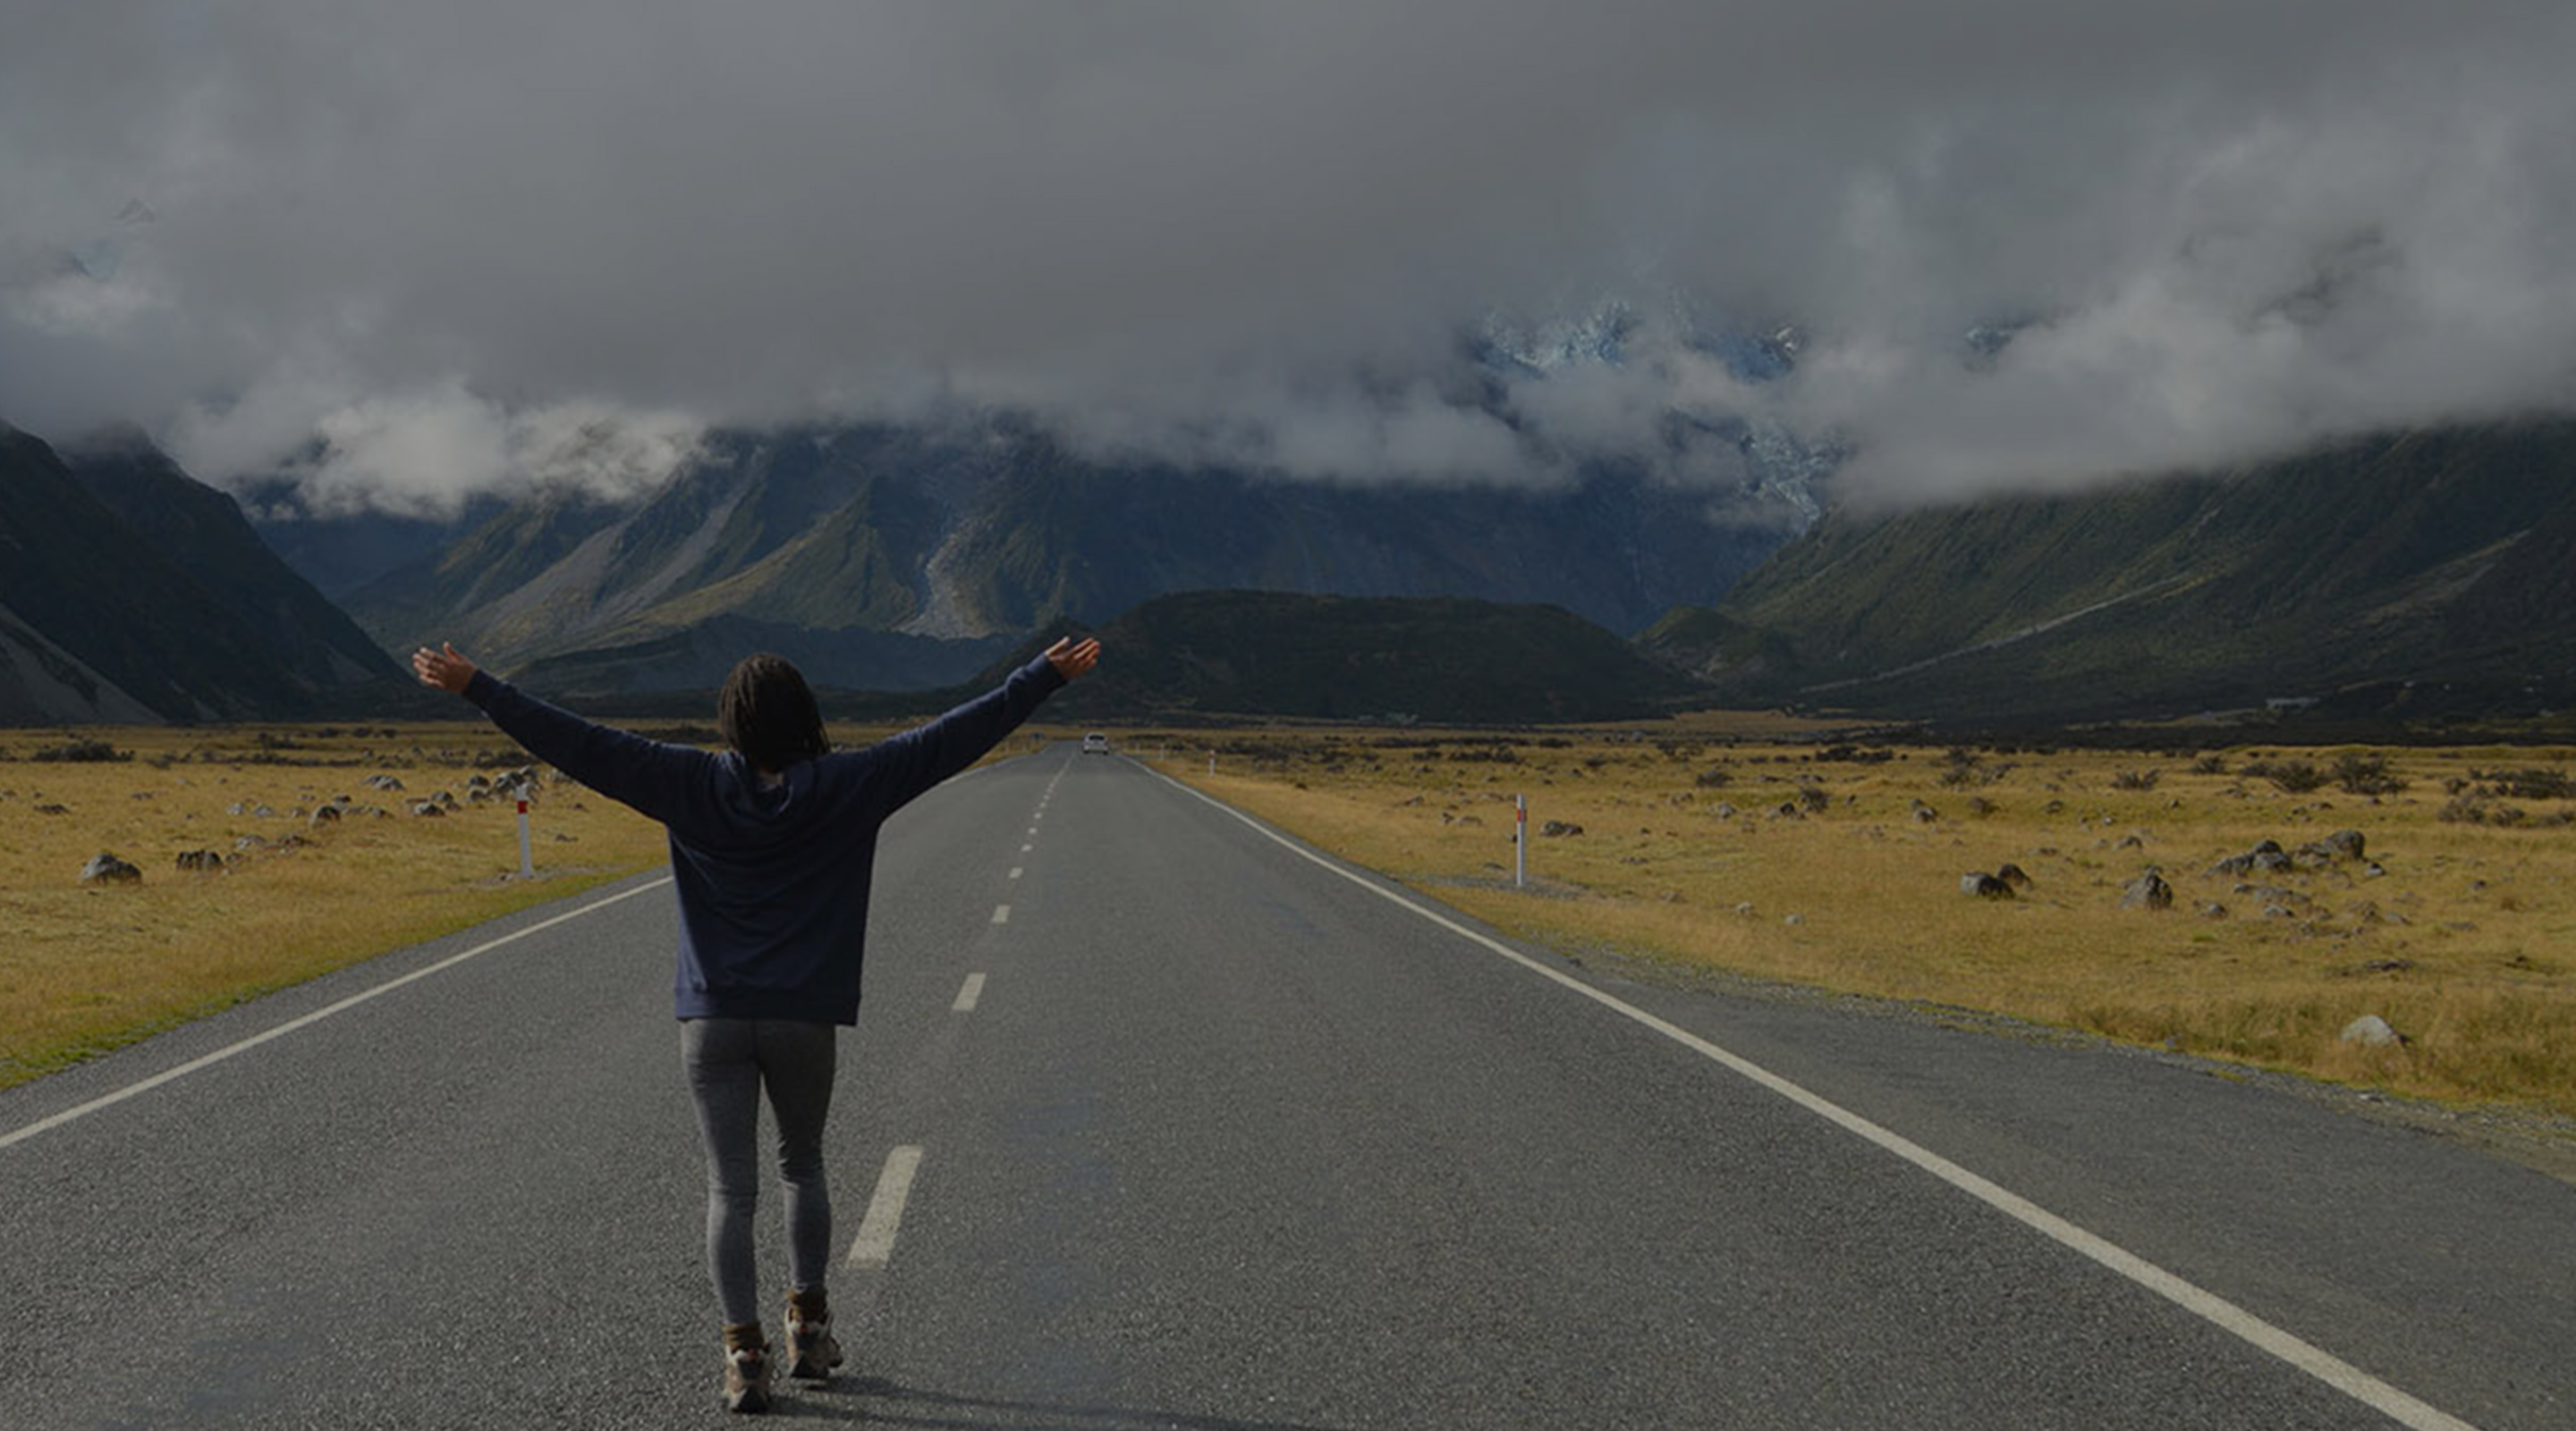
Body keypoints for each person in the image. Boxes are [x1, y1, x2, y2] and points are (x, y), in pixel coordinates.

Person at [413, 636, 1102, 1413]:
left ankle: (744, 1354)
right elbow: (951, 737)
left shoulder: (686, 780)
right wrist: (1040, 677)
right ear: (805, 715)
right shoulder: (850, 783)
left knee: (729, 1188)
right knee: (801, 1165)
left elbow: (578, 742)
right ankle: (809, 1326)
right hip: (802, 1015)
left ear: (731, 721)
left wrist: (479, 686)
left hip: (711, 1017)